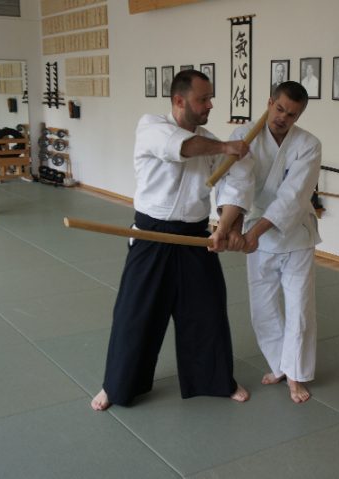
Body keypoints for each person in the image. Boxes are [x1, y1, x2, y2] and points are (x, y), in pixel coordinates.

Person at [91, 70, 252, 411]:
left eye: (210, 98)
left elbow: (234, 184)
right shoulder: (151, 126)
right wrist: (227, 146)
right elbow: (180, 147)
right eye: (202, 99)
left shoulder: (209, 139)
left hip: (194, 235)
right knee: (136, 314)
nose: (209, 105)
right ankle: (116, 385)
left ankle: (216, 380)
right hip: (151, 234)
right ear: (179, 101)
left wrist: (224, 226)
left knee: (207, 310)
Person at [222, 81, 322, 403]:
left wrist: (252, 234)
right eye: (279, 109)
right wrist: (231, 228)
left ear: (299, 115)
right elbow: (237, 185)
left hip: (294, 235)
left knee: (299, 309)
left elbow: (293, 197)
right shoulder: (243, 137)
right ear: (269, 103)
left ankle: (295, 375)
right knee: (262, 307)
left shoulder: (309, 144)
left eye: (291, 114)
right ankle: (279, 364)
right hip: (254, 231)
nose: (283, 118)